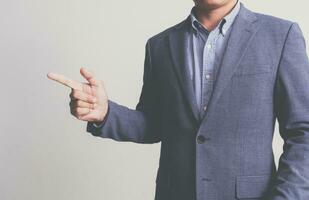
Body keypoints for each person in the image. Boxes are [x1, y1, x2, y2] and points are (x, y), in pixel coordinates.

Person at [47, 0, 309, 199]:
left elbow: (303, 131)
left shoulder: (280, 36)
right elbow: (154, 123)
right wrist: (105, 113)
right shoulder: (160, 45)